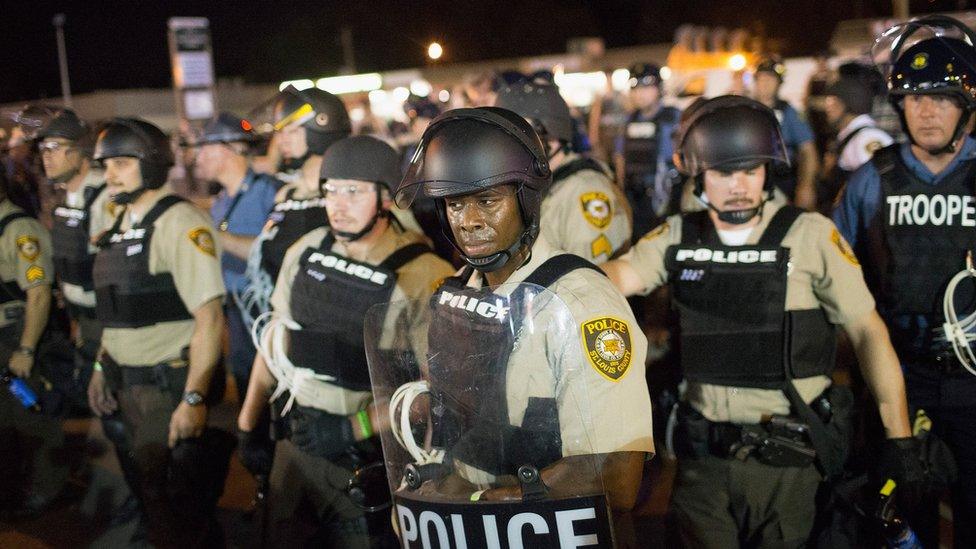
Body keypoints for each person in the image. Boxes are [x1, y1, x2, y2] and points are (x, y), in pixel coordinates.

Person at [601, 95, 916, 548]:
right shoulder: (678, 234)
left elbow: (867, 331)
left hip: (789, 464)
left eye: (751, 170)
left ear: (770, 170)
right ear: (698, 175)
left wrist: (898, 438)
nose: (739, 185)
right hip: (703, 465)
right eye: (724, 172)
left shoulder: (809, 235)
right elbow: (615, 278)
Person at [393, 106, 654, 546]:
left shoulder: (581, 304)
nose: (469, 221)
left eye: (488, 201)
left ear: (527, 198)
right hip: (472, 530)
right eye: (455, 203)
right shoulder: (459, 290)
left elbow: (617, 476)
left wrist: (478, 499)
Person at [237, 135, 452, 546]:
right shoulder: (305, 251)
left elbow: (436, 391)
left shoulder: (424, 274)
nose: (338, 203)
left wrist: (354, 428)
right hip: (296, 439)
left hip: (369, 456)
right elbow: (274, 339)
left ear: (386, 198)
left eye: (353, 191)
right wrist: (248, 424)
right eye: (331, 190)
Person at [833, 17, 976, 547]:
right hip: (899, 379)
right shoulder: (872, 179)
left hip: (973, 381)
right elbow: (834, 274)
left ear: (966, 106)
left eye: (942, 97)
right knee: (901, 516)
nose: (928, 111)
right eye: (915, 98)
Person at [85, 118, 229, 546]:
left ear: (150, 164)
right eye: (106, 164)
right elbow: (115, 312)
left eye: (122, 163)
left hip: (166, 387)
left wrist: (193, 399)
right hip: (126, 387)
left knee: (180, 505)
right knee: (153, 494)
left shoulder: (179, 222)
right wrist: (100, 366)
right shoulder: (120, 224)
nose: (109, 173)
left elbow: (210, 318)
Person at [237, 87, 351, 331]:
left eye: (292, 130)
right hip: (283, 321)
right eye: (280, 132)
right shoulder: (286, 194)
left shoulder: (355, 192)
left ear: (322, 125)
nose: (281, 140)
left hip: (333, 324)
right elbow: (263, 250)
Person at [191, 111, 281, 396]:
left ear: (227, 150)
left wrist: (217, 237)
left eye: (205, 148)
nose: (198, 157)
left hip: (264, 313)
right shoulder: (221, 201)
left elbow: (275, 251)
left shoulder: (270, 192)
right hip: (234, 314)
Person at [495, 81, 632, 262]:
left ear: (551, 132)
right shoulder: (531, 183)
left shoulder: (584, 190)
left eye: (519, 133)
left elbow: (589, 279)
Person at [0, 167, 66, 518]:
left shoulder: (19, 230)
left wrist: (25, 349)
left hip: (14, 338)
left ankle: (48, 488)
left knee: (31, 418)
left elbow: (38, 293)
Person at [614, 63, 681, 241]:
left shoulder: (674, 117)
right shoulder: (629, 120)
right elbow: (620, 156)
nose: (640, 93)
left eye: (646, 87)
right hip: (635, 196)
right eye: (635, 88)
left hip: (667, 195)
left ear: (659, 89)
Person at [751, 56, 820, 210]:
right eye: (762, 78)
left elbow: (807, 150)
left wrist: (806, 186)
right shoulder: (746, 111)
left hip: (782, 182)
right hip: (751, 181)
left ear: (779, 84)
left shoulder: (788, 112)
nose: (766, 83)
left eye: (771, 79)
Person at [818, 75, 893, 214]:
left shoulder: (866, 139)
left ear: (847, 104)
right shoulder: (851, 137)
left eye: (832, 102)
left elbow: (881, 187)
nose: (827, 108)